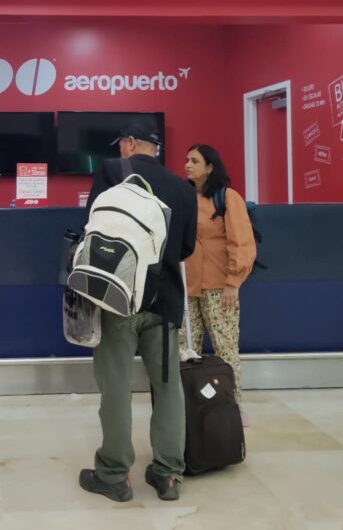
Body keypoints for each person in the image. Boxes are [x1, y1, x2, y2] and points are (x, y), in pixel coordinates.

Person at [78, 122, 196, 503]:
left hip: (117, 301)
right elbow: (186, 248)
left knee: (115, 388)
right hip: (165, 305)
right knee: (167, 387)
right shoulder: (182, 188)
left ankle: (113, 474)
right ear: (156, 148)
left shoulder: (113, 174)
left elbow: (93, 231)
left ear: (129, 144)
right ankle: (168, 474)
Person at [181, 144, 256, 423]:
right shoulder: (184, 197)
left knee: (225, 349)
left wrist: (233, 283)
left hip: (219, 287)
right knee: (186, 348)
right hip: (187, 286)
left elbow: (242, 242)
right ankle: (192, 405)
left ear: (210, 166)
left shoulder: (228, 198)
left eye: (194, 160)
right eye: (186, 160)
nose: (187, 165)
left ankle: (232, 406)